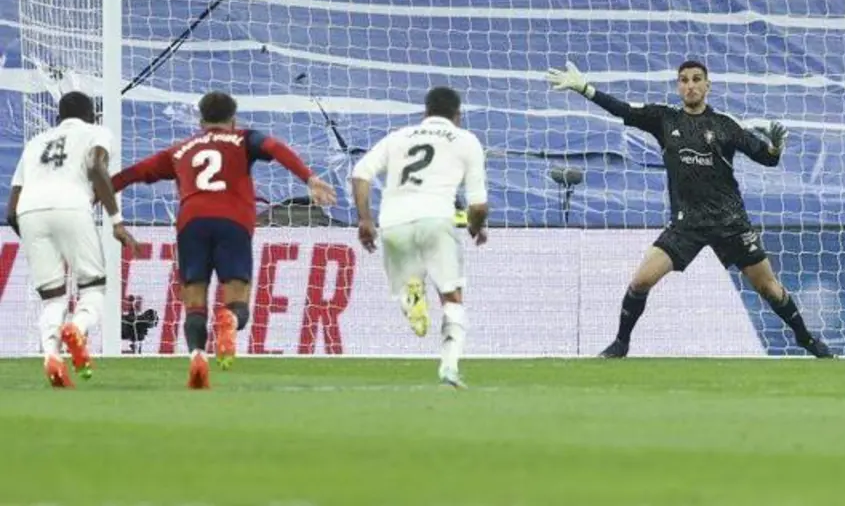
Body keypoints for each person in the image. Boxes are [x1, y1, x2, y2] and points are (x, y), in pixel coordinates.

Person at [548, 59, 832, 359]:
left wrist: (775, 147)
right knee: (641, 281)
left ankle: (807, 340)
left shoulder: (725, 125)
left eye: (697, 79)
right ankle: (620, 344)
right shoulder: (664, 119)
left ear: (707, 85)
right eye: (684, 80)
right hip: (686, 225)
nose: (690, 85)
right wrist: (585, 89)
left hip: (730, 221)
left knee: (769, 289)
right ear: (678, 86)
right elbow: (624, 110)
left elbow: (768, 159)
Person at [112, 91, 336, 388]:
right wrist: (309, 178)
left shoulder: (179, 150)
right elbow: (275, 147)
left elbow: (133, 173)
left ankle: (197, 357)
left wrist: (97, 190)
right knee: (237, 301)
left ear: (200, 121)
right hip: (233, 223)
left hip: (191, 224)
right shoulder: (244, 139)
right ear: (233, 119)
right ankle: (229, 319)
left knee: (194, 303)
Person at [350, 87, 488, 389]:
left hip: (393, 222)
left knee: (410, 278)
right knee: (452, 297)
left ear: (425, 112)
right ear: (458, 116)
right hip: (436, 219)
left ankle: (409, 293)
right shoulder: (466, 140)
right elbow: (478, 206)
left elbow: (360, 173)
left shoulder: (398, 137)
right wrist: (475, 227)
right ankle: (449, 367)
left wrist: (364, 219)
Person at [6, 92, 139, 387]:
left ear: (58, 117)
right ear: (92, 115)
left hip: (29, 211)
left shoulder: (35, 143)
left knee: (52, 298)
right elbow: (96, 167)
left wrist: (35, 238)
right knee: (93, 287)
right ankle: (77, 328)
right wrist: (117, 221)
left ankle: (52, 358)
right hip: (72, 205)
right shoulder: (97, 132)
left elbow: (11, 208)